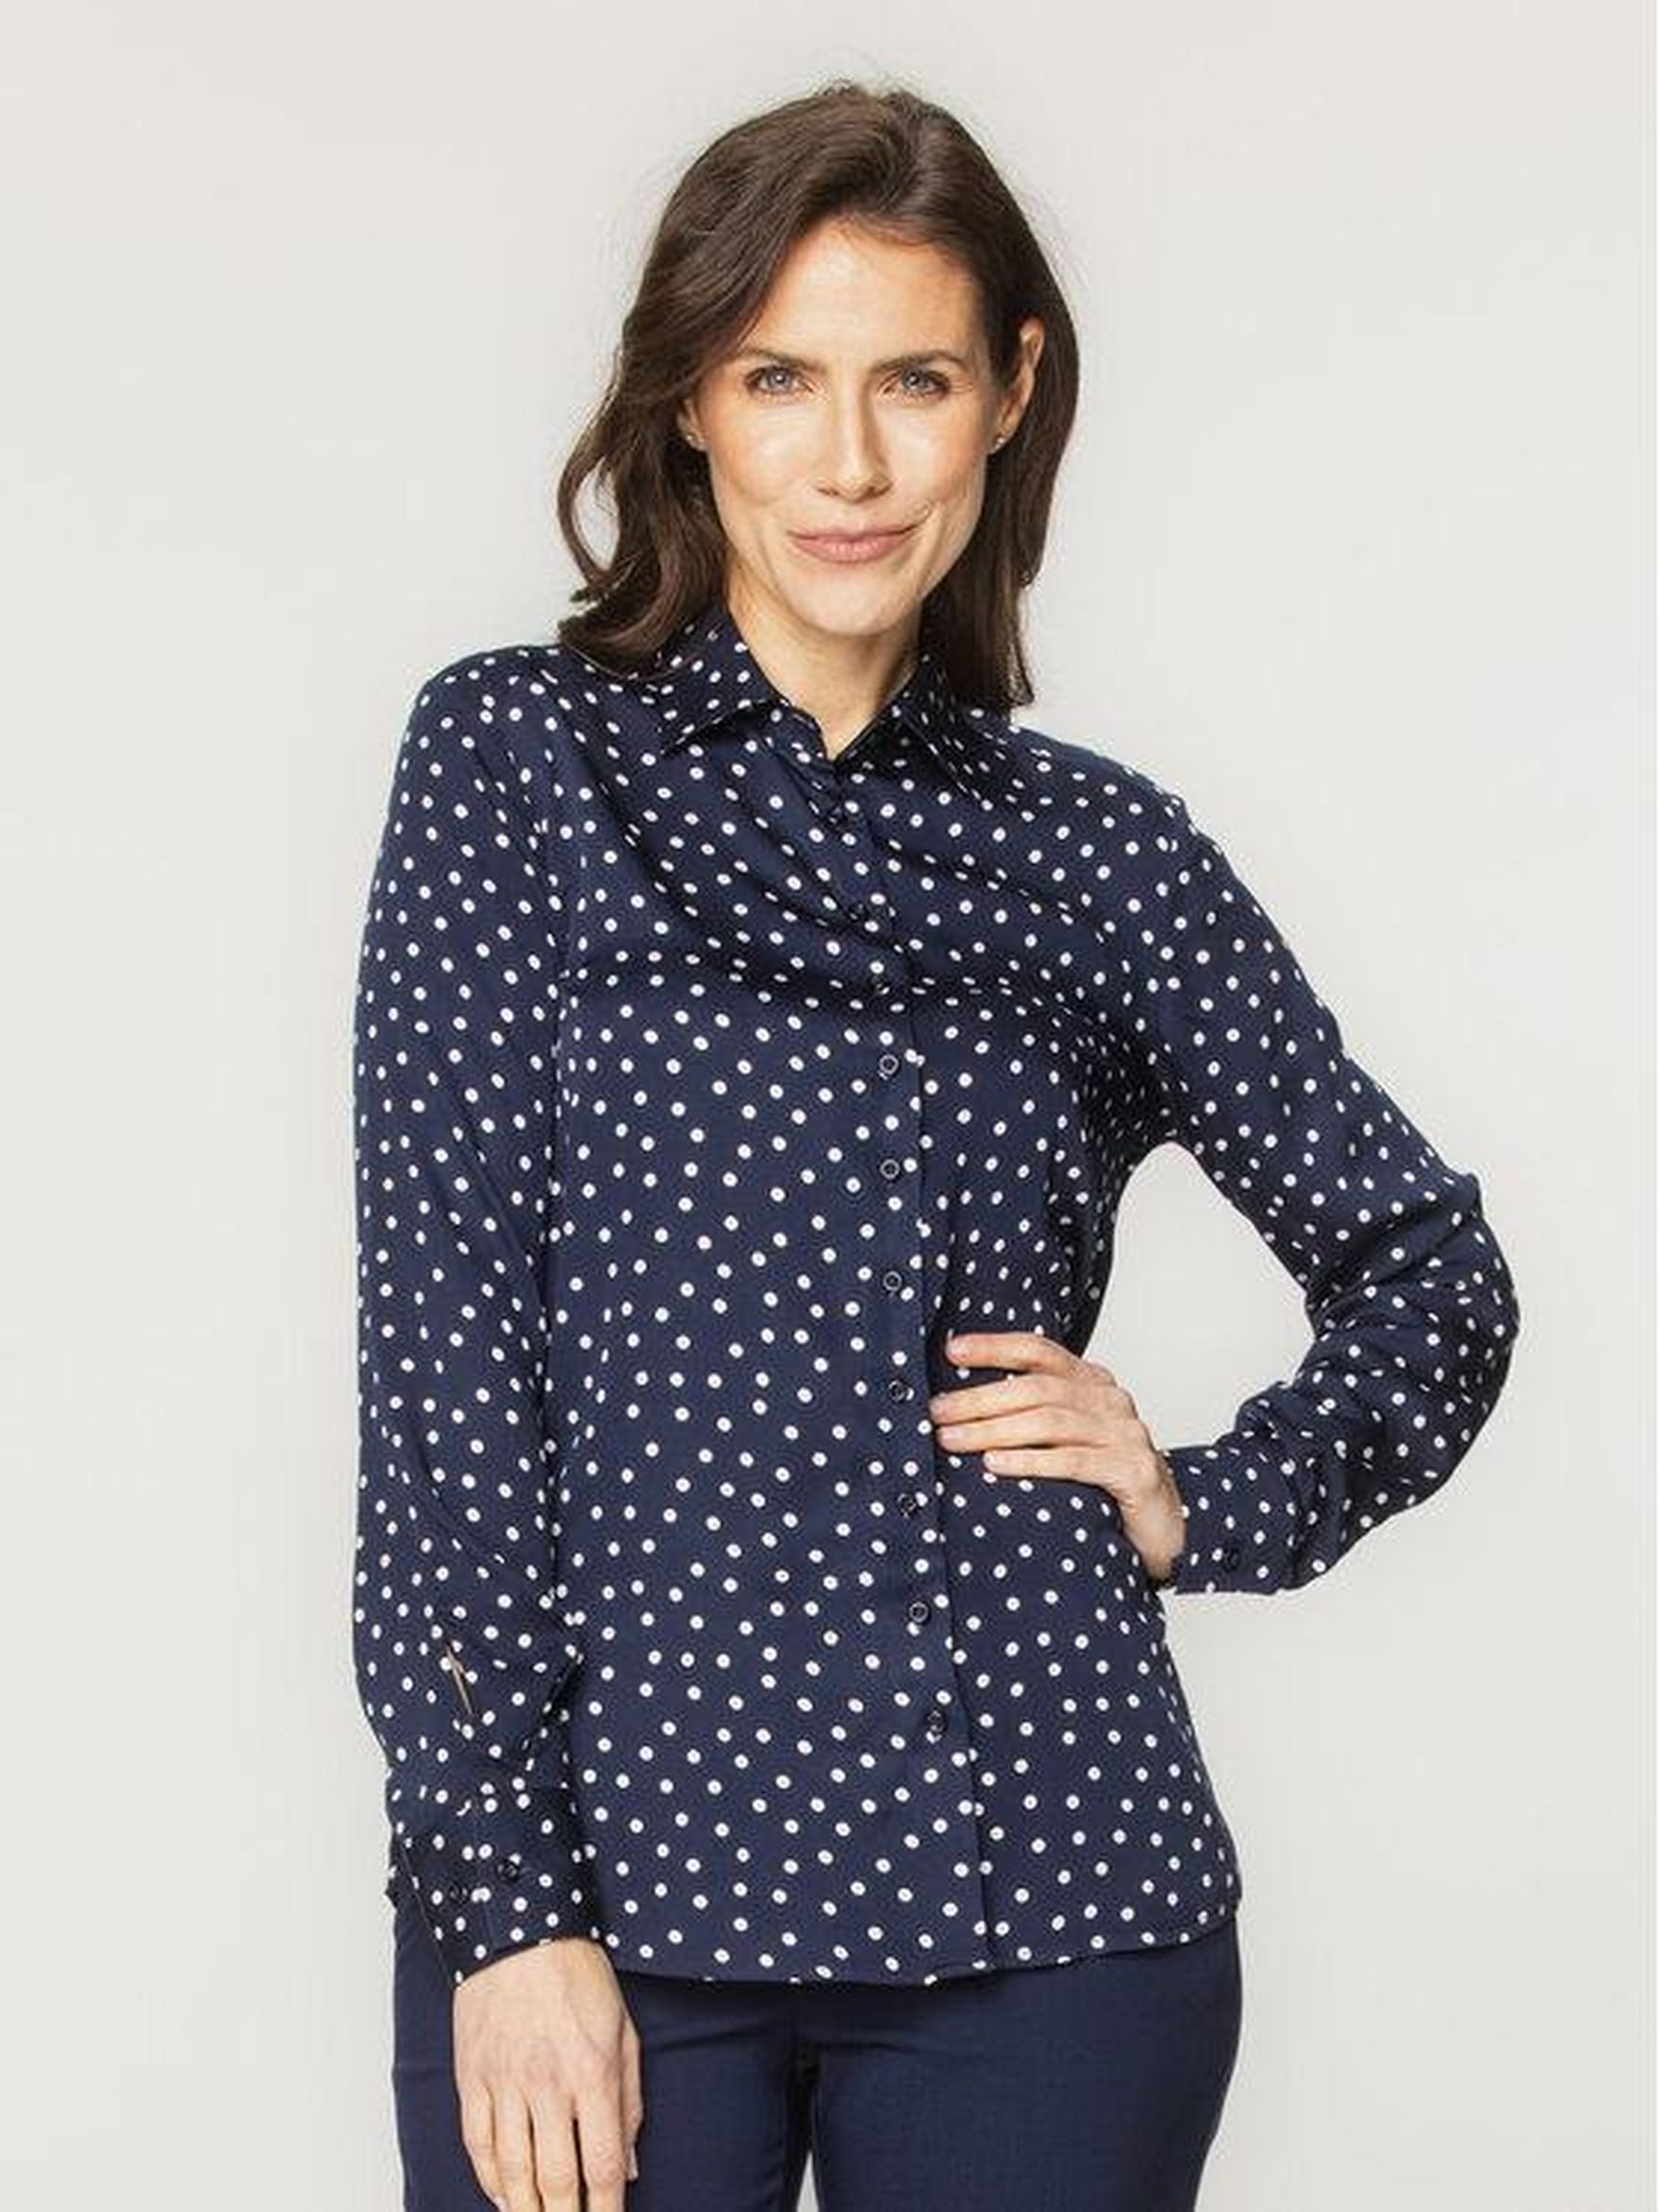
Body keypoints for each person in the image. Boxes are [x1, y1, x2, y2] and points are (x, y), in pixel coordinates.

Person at [351, 79, 1521, 2212]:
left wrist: (1203, 1498)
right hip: (607, 1886)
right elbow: (445, 1372)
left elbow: (1430, 1277)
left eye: (913, 379)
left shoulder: (1098, 856)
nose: (851, 461)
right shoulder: (515, 763)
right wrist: (503, 1906)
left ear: (1010, 395)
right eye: (778, 377)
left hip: (1048, 1886)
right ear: (688, 401)